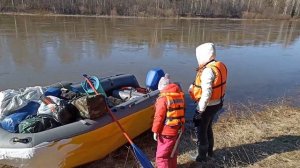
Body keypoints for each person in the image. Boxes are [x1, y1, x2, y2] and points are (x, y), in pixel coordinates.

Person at [188, 43, 228, 162]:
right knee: (208, 128)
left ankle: (201, 157)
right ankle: (210, 153)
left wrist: (200, 110)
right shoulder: (219, 66)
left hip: (208, 106)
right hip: (217, 104)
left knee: (201, 132)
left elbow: (207, 93)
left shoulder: (208, 71)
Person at [152, 74, 185, 168]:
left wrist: (155, 131)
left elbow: (159, 117)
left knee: (162, 156)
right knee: (172, 152)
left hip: (166, 132)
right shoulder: (180, 96)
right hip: (178, 130)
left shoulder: (163, 99)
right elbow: (183, 112)